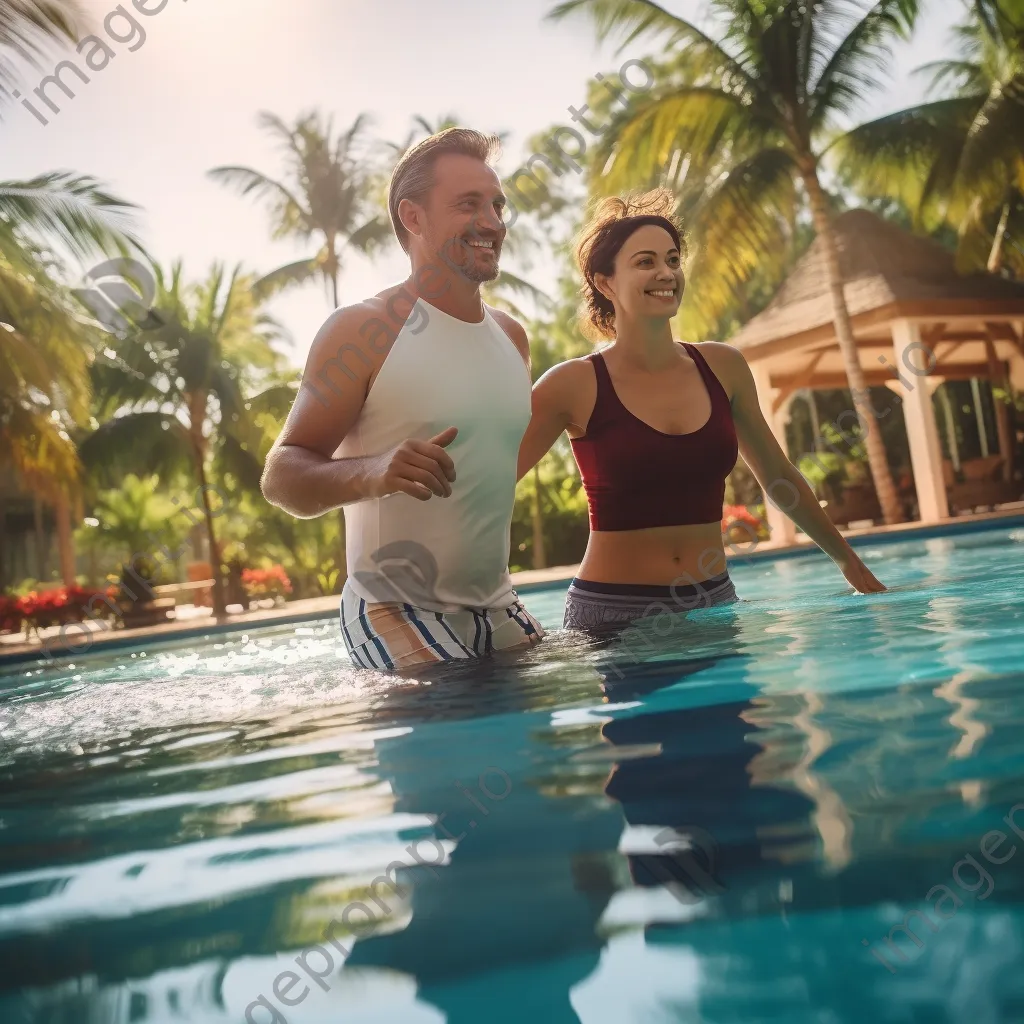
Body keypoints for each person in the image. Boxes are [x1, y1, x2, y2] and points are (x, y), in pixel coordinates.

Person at [517, 189, 885, 631]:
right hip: (615, 613)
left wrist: (848, 562)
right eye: (645, 262)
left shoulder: (723, 366)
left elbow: (778, 474)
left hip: (716, 603)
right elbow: (493, 480)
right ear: (605, 282)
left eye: (672, 260)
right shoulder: (572, 384)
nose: (666, 272)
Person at [261, 128, 544, 671]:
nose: (492, 222)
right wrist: (374, 470)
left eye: (497, 205)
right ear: (412, 217)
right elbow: (281, 477)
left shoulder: (512, 338)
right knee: (452, 711)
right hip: (390, 605)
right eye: (469, 205)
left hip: (497, 605)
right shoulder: (362, 331)